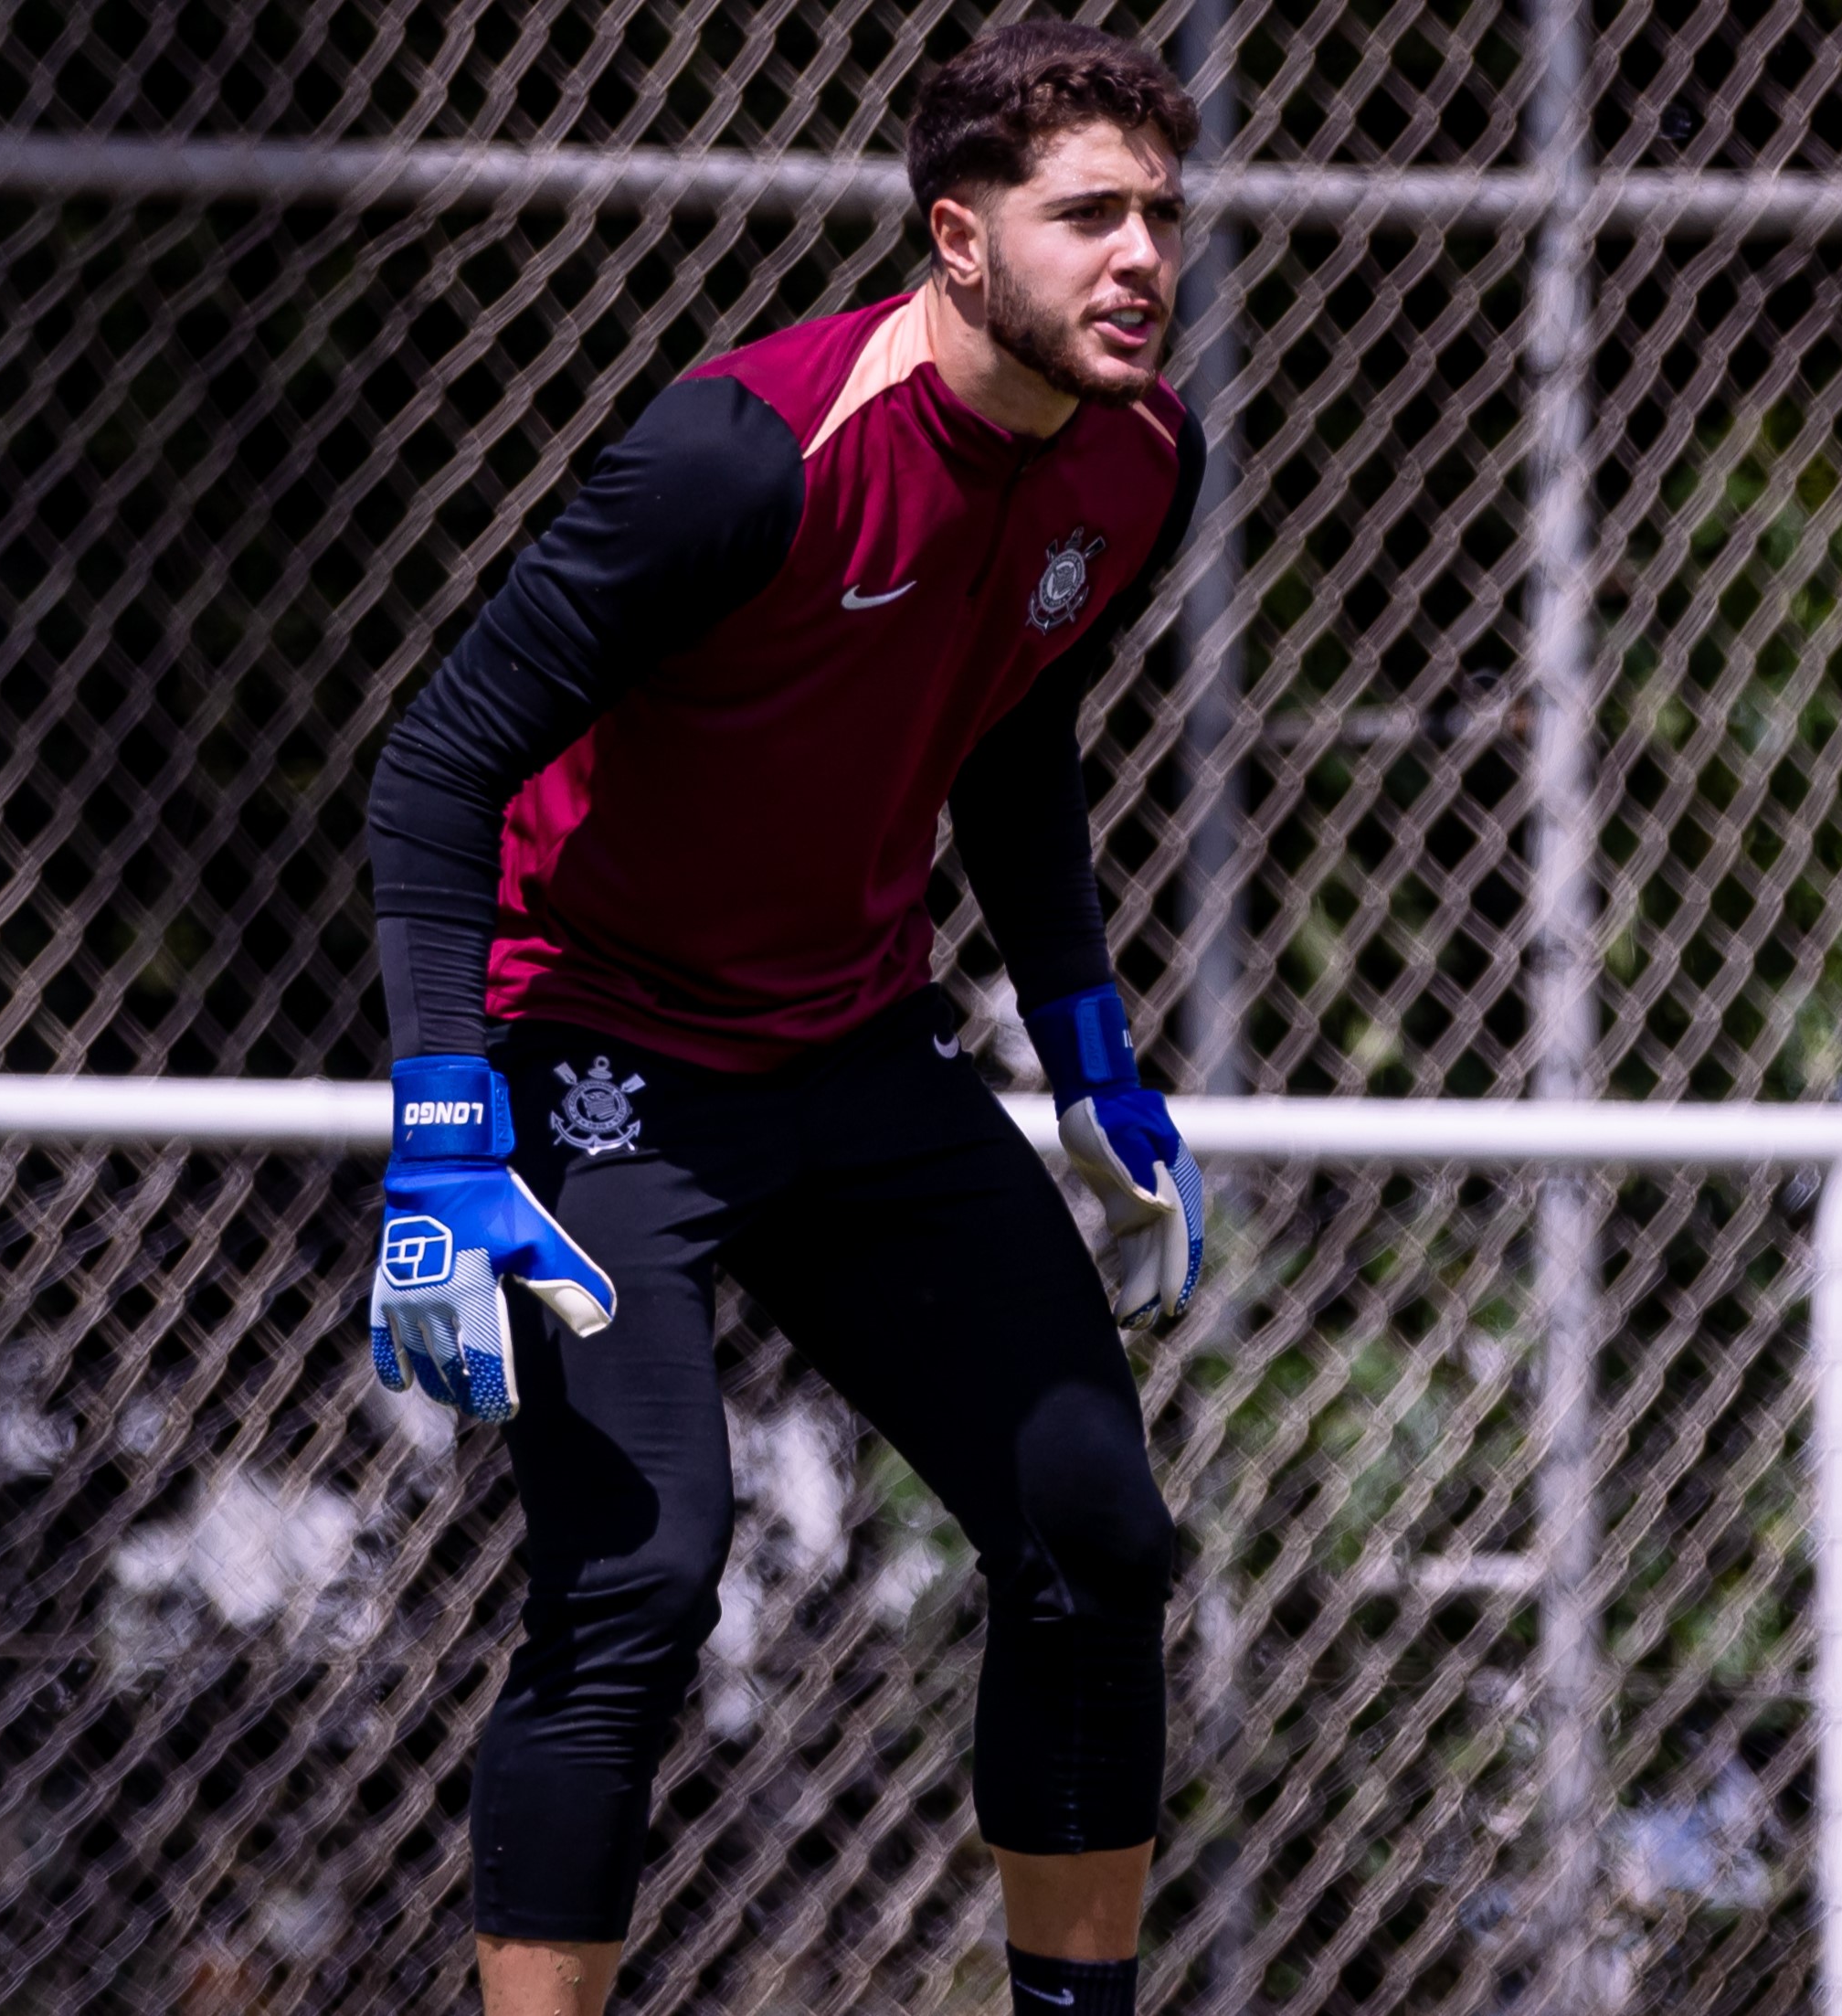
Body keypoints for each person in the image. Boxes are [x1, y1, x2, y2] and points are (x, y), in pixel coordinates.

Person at [365, 22, 1208, 2016]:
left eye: (1163, 214)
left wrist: (1087, 1038)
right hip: (597, 1051)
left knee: (1096, 1535)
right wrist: (440, 1134)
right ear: (956, 239)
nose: (1141, 258)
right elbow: (436, 765)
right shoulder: (744, 451)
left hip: (853, 1045)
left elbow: (1012, 733)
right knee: (643, 1573)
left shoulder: (1139, 457)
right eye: (1087, 214)